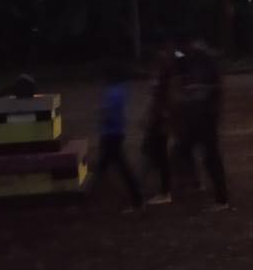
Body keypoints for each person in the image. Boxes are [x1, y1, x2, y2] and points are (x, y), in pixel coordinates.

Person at [174, 37, 230, 210]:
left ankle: (221, 198)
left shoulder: (204, 60)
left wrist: (198, 90)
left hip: (206, 115)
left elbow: (214, 87)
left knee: (209, 156)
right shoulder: (192, 59)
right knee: (186, 149)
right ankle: (196, 182)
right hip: (199, 114)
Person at [93, 61, 143, 212]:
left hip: (111, 134)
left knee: (118, 168)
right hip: (113, 133)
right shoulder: (118, 90)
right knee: (109, 167)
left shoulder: (114, 92)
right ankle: (134, 200)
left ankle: (137, 201)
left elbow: (109, 114)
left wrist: (102, 115)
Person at [141, 38, 179, 204]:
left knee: (158, 152)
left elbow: (164, 98)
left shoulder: (166, 74)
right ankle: (164, 187)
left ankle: (165, 191)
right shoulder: (162, 72)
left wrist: (160, 117)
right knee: (156, 151)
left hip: (161, 119)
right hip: (159, 117)